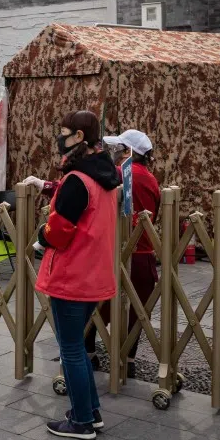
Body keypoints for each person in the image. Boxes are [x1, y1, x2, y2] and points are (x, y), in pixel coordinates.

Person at [34, 110, 120, 440]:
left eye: (65, 132)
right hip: (95, 274)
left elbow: (59, 230)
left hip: (71, 274)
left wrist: (41, 235)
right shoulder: (105, 174)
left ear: (79, 138)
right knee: (78, 349)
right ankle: (91, 412)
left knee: (70, 350)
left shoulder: (77, 180)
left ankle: (82, 421)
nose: (60, 138)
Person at [88, 129, 160, 378]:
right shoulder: (151, 179)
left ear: (129, 152)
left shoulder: (116, 174)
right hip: (145, 254)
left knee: (96, 306)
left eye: (119, 148)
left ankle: (89, 355)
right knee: (136, 311)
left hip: (115, 254)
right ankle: (128, 360)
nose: (115, 153)